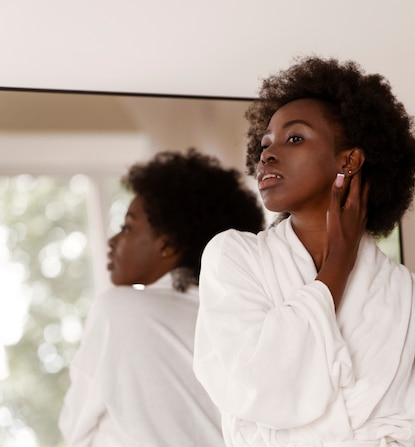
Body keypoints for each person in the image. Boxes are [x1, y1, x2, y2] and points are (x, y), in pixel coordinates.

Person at [193, 56, 415, 446]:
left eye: (294, 138)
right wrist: (338, 264)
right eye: (265, 144)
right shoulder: (235, 259)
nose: (268, 155)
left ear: (349, 160)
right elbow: (259, 386)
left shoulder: (411, 299)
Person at [59, 149, 265, 446]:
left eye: (127, 227)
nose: (113, 240)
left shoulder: (119, 309)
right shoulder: (241, 315)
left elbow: (75, 426)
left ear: (167, 245)